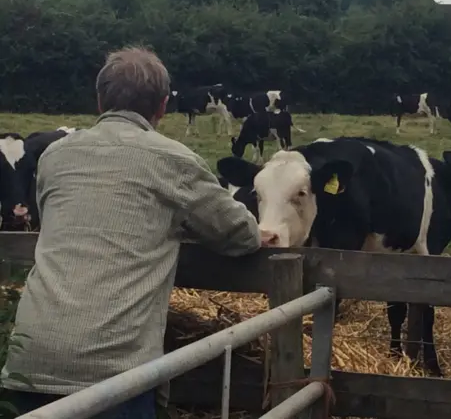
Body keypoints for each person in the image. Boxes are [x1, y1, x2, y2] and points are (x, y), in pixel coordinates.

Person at [0, 46, 262, 418]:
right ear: (163, 106)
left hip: (30, 360)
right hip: (113, 373)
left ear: (98, 102)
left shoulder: (53, 156)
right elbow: (242, 235)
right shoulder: (174, 160)